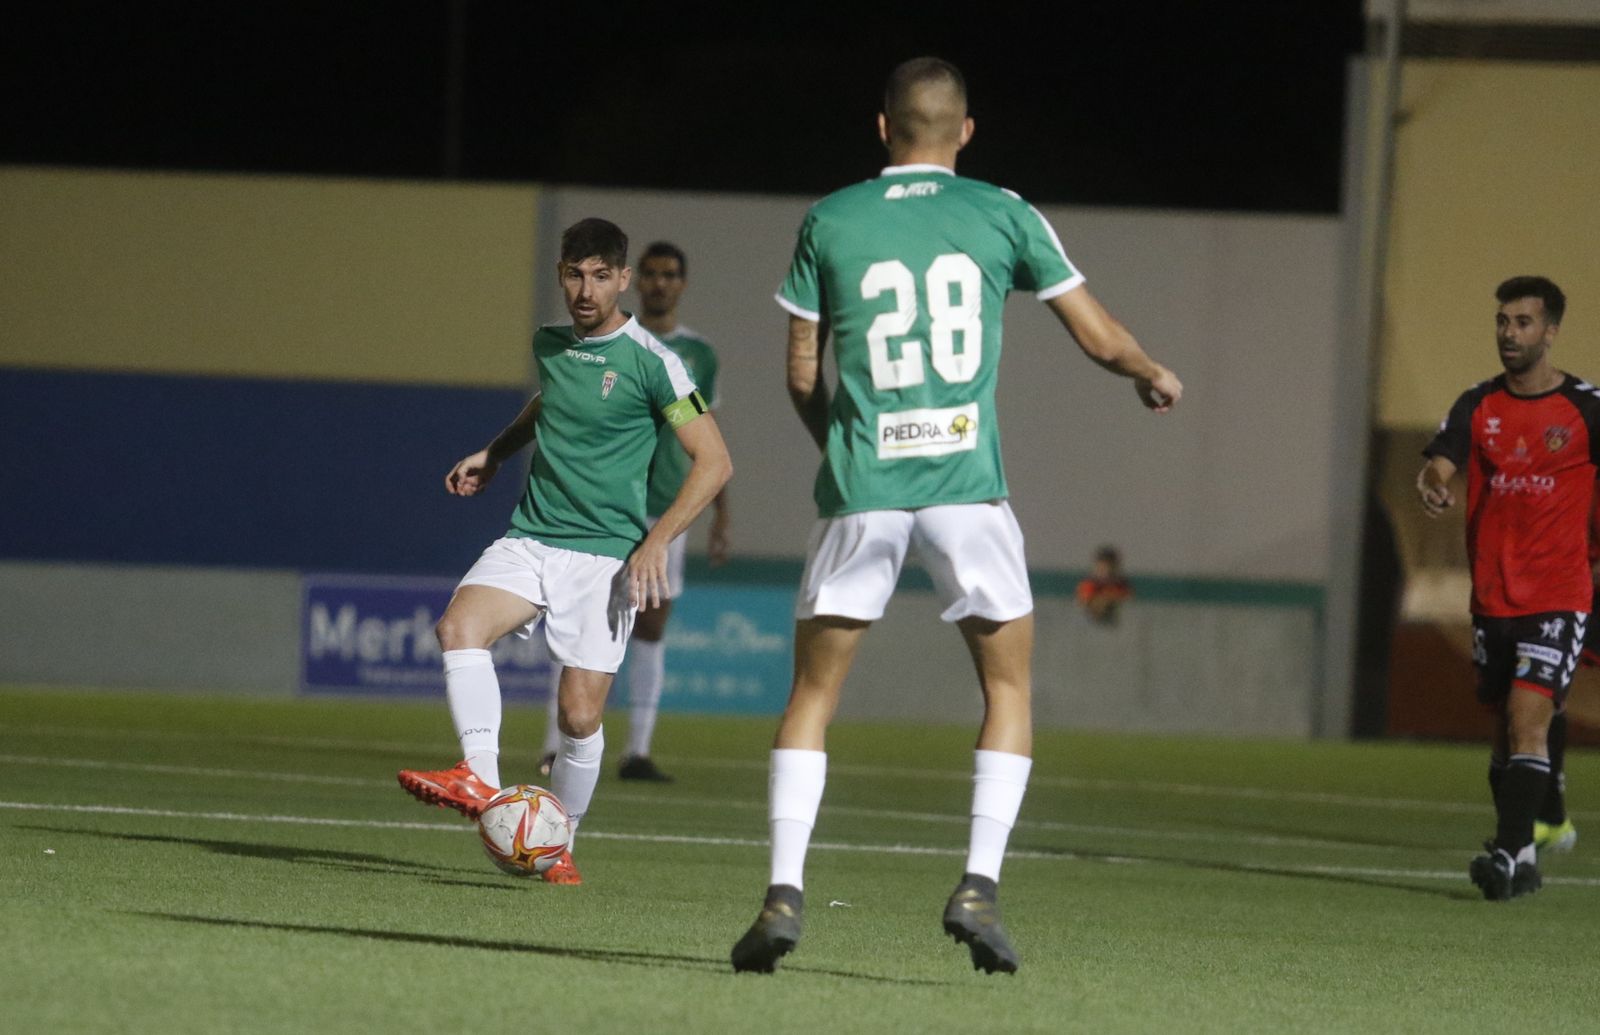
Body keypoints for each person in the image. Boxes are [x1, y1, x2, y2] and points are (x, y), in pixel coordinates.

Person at [730, 57, 1183, 975]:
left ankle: (783, 889)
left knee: (813, 694)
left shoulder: (832, 216)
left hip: (863, 489)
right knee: (1007, 688)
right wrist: (1150, 372)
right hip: (967, 494)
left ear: (883, 126)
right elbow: (1097, 334)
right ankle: (978, 883)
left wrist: (848, 446)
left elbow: (800, 372)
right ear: (964, 132)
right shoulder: (1004, 212)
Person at [395, 218, 732, 885]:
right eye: (575, 274)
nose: (586, 288)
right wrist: (495, 452)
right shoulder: (550, 344)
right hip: (531, 534)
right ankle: (479, 777)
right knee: (457, 627)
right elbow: (549, 405)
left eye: (601, 275)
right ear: (560, 274)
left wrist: (655, 541)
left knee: (578, 714)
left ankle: (562, 842)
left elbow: (715, 461)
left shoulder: (655, 362)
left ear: (623, 279)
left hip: (604, 554)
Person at [1418, 275, 1598, 900]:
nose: (1509, 333)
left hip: (1560, 594)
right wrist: (1436, 480)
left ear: (1550, 332)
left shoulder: (1587, 408)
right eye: (1502, 322)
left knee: (1527, 719)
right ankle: (1521, 856)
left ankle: (1504, 853)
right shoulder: (1479, 404)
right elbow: (1443, 456)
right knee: (1503, 732)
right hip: (1493, 597)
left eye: (1522, 323)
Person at [537, 241, 730, 783]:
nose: (659, 283)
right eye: (650, 274)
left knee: (651, 623)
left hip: (666, 509)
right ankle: (555, 745)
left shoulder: (698, 355)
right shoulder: (611, 343)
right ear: (633, 280)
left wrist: (718, 514)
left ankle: (637, 751)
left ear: (682, 283)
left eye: (669, 274)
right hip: (604, 504)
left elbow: (709, 442)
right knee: (577, 618)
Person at [1075, 545, 1132, 625]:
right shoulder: (1088, 585)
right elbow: (1084, 601)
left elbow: (1127, 599)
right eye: (1102, 566)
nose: (1106, 571)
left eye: (1110, 567)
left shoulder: (1121, 586)